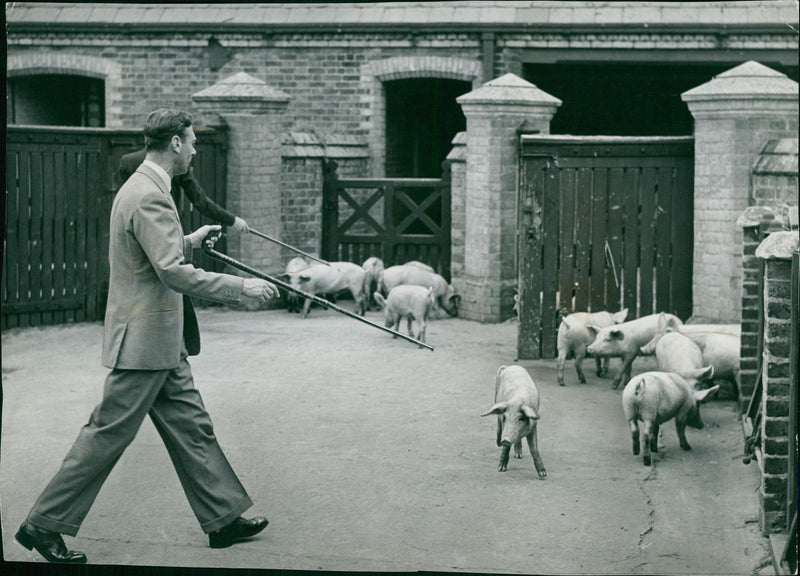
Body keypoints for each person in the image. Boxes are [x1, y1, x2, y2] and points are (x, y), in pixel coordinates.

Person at [15, 109, 278, 564]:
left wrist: (189, 238)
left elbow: (151, 252)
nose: (195, 149)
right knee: (107, 435)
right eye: (192, 142)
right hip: (143, 343)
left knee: (194, 428)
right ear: (175, 143)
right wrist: (241, 288)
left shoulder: (143, 187)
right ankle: (43, 524)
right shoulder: (149, 195)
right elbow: (171, 271)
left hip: (160, 342)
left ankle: (223, 517)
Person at [118, 146, 250, 234]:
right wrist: (232, 220)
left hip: (136, 229)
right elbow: (200, 200)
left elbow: (127, 201)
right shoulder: (177, 164)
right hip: (169, 229)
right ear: (174, 142)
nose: (193, 151)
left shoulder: (128, 161)